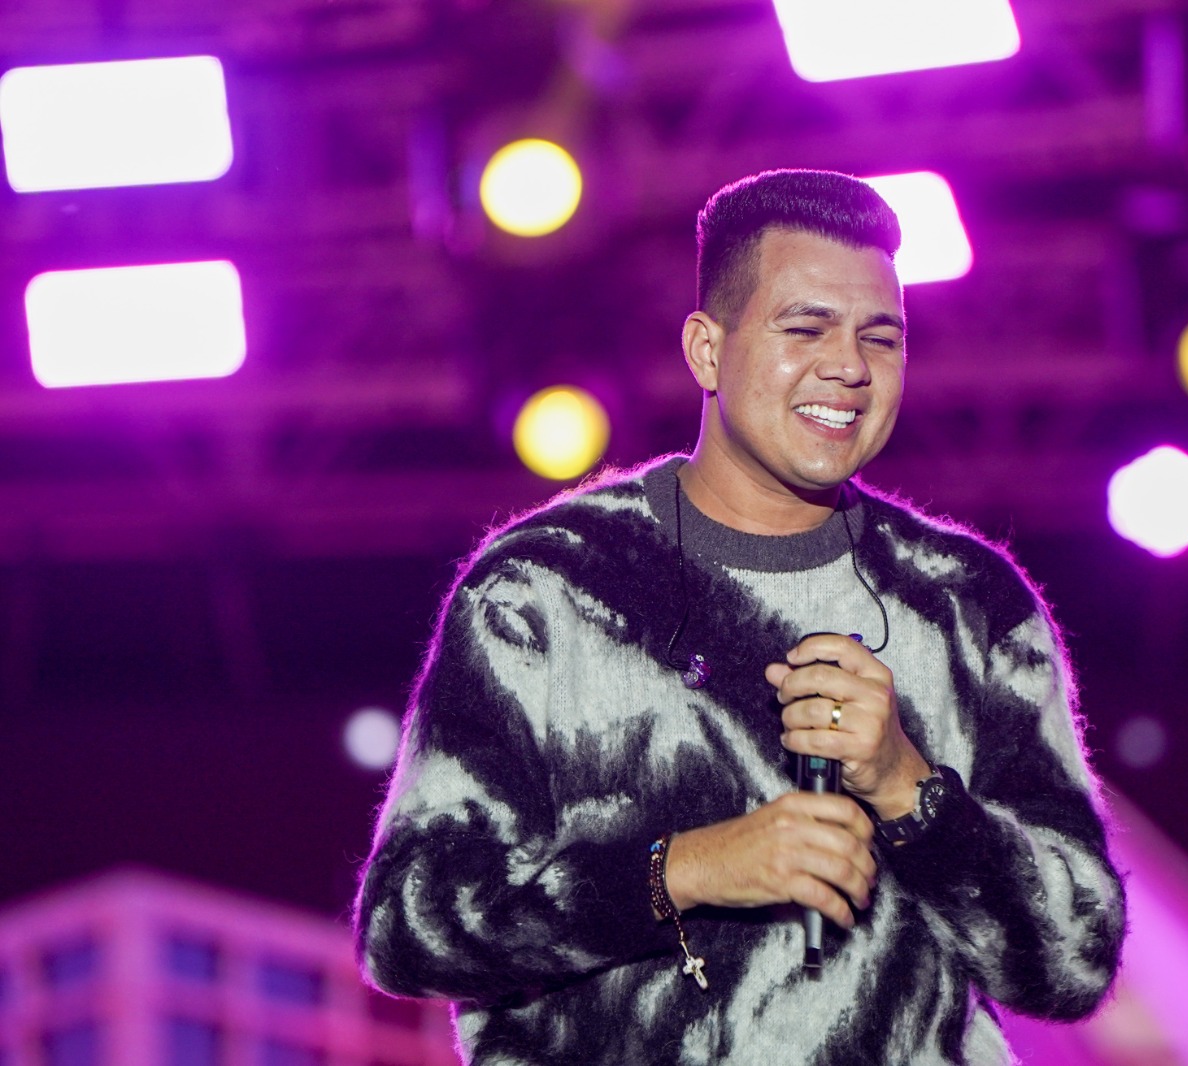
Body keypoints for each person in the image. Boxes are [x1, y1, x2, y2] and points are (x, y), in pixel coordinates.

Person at [355, 169, 1125, 1065]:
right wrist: (686, 869)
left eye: (881, 337)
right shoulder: (551, 588)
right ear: (706, 351)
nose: (849, 366)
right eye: (805, 328)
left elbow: (1076, 962)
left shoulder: (968, 605)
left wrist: (910, 789)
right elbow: (406, 926)